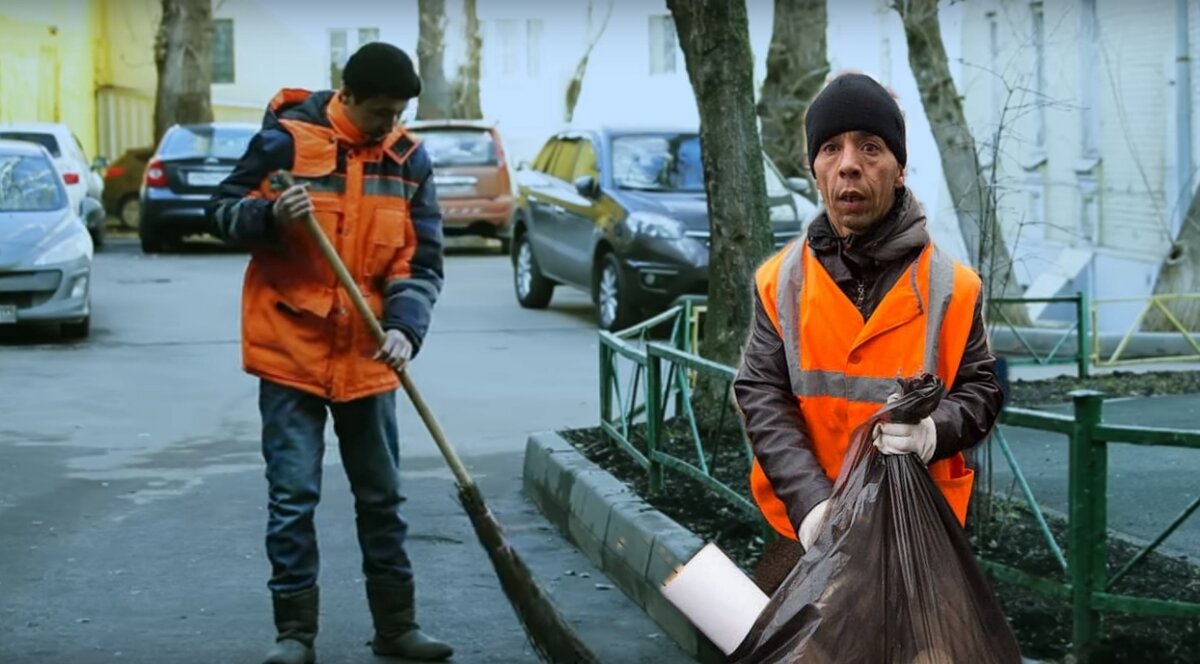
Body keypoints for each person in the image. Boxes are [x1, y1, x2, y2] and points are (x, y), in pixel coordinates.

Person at [207, 42, 452, 664]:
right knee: (293, 499)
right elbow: (219, 212)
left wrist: (405, 328)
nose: (390, 125)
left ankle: (397, 629)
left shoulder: (408, 159)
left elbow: (419, 260)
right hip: (290, 351)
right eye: (379, 112)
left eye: (399, 112)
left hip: (369, 355)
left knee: (383, 499)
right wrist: (269, 218)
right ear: (346, 96)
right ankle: (295, 637)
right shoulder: (285, 144)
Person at [733, 73, 1004, 591]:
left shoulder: (954, 288)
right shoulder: (780, 283)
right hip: (804, 535)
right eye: (831, 148)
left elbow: (982, 390)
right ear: (814, 171)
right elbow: (762, 392)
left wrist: (934, 432)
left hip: (919, 540)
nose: (849, 164)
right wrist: (812, 503)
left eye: (871, 147)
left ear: (900, 169)